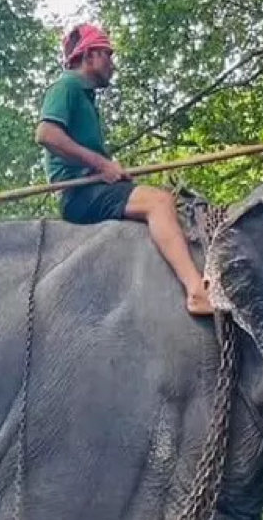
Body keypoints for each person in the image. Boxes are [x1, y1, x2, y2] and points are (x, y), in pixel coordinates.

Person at [35, 23, 213, 316]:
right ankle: (196, 291)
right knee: (159, 202)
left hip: (94, 188)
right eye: (107, 54)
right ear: (89, 55)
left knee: (169, 204)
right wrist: (101, 164)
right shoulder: (66, 86)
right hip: (81, 194)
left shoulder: (86, 99)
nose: (112, 64)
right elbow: (46, 134)